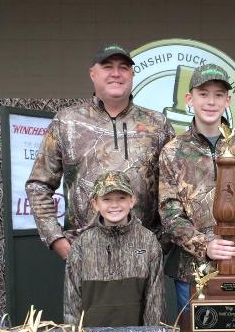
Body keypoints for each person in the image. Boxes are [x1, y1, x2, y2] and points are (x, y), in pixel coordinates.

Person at [26, 42, 175, 260]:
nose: (116, 73)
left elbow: (175, 189)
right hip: (86, 254)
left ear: (132, 75)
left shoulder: (157, 125)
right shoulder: (67, 122)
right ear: (93, 74)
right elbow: (39, 185)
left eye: (123, 67)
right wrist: (57, 240)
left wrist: (161, 244)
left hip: (144, 254)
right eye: (107, 67)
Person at [159, 63, 235, 311]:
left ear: (227, 101)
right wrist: (206, 246)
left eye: (218, 95)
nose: (210, 102)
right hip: (192, 273)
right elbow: (169, 213)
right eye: (203, 94)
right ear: (189, 99)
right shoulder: (173, 151)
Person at [63, 170, 165, 326]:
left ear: (132, 201)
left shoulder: (148, 241)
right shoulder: (82, 244)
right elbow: (72, 302)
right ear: (95, 204)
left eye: (122, 198)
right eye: (107, 199)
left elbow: (155, 301)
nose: (115, 205)